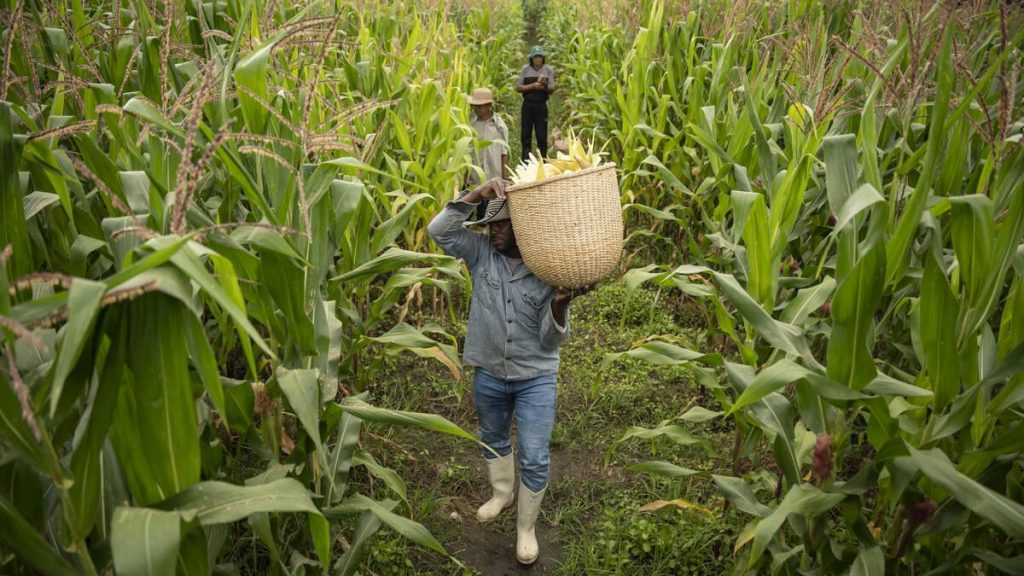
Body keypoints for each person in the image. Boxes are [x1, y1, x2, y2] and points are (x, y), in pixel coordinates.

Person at [427, 179, 590, 565]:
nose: (493, 231)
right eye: (489, 225)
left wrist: (561, 303)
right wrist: (477, 195)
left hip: (535, 377)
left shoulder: (547, 270)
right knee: (493, 437)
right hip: (488, 370)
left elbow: (551, 342)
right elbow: (439, 230)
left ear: (524, 229)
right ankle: (502, 493)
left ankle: (526, 528)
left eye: (501, 225)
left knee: (534, 455)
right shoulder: (482, 254)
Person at [466, 87, 509, 220]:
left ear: (489, 106)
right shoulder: (469, 123)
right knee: (467, 210)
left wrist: (504, 178)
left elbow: (504, 153)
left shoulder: (499, 126)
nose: (478, 110)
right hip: (473, 178)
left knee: (486, 216)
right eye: (476, 107)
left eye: (482, 107)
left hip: (492, 177)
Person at [516, 45, 555, 162]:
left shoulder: (548, 70)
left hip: (541, 106)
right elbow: (518, 87)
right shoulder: (525, 69)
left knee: (541, 135)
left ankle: (542, 161)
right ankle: (526, 161)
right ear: (531, 59)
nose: (538, 59)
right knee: (526, 135)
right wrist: (532, 86)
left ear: (543, 58)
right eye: (535, 57)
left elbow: (552, 90)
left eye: (540, 57)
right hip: (528, 105)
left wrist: (544, 85)